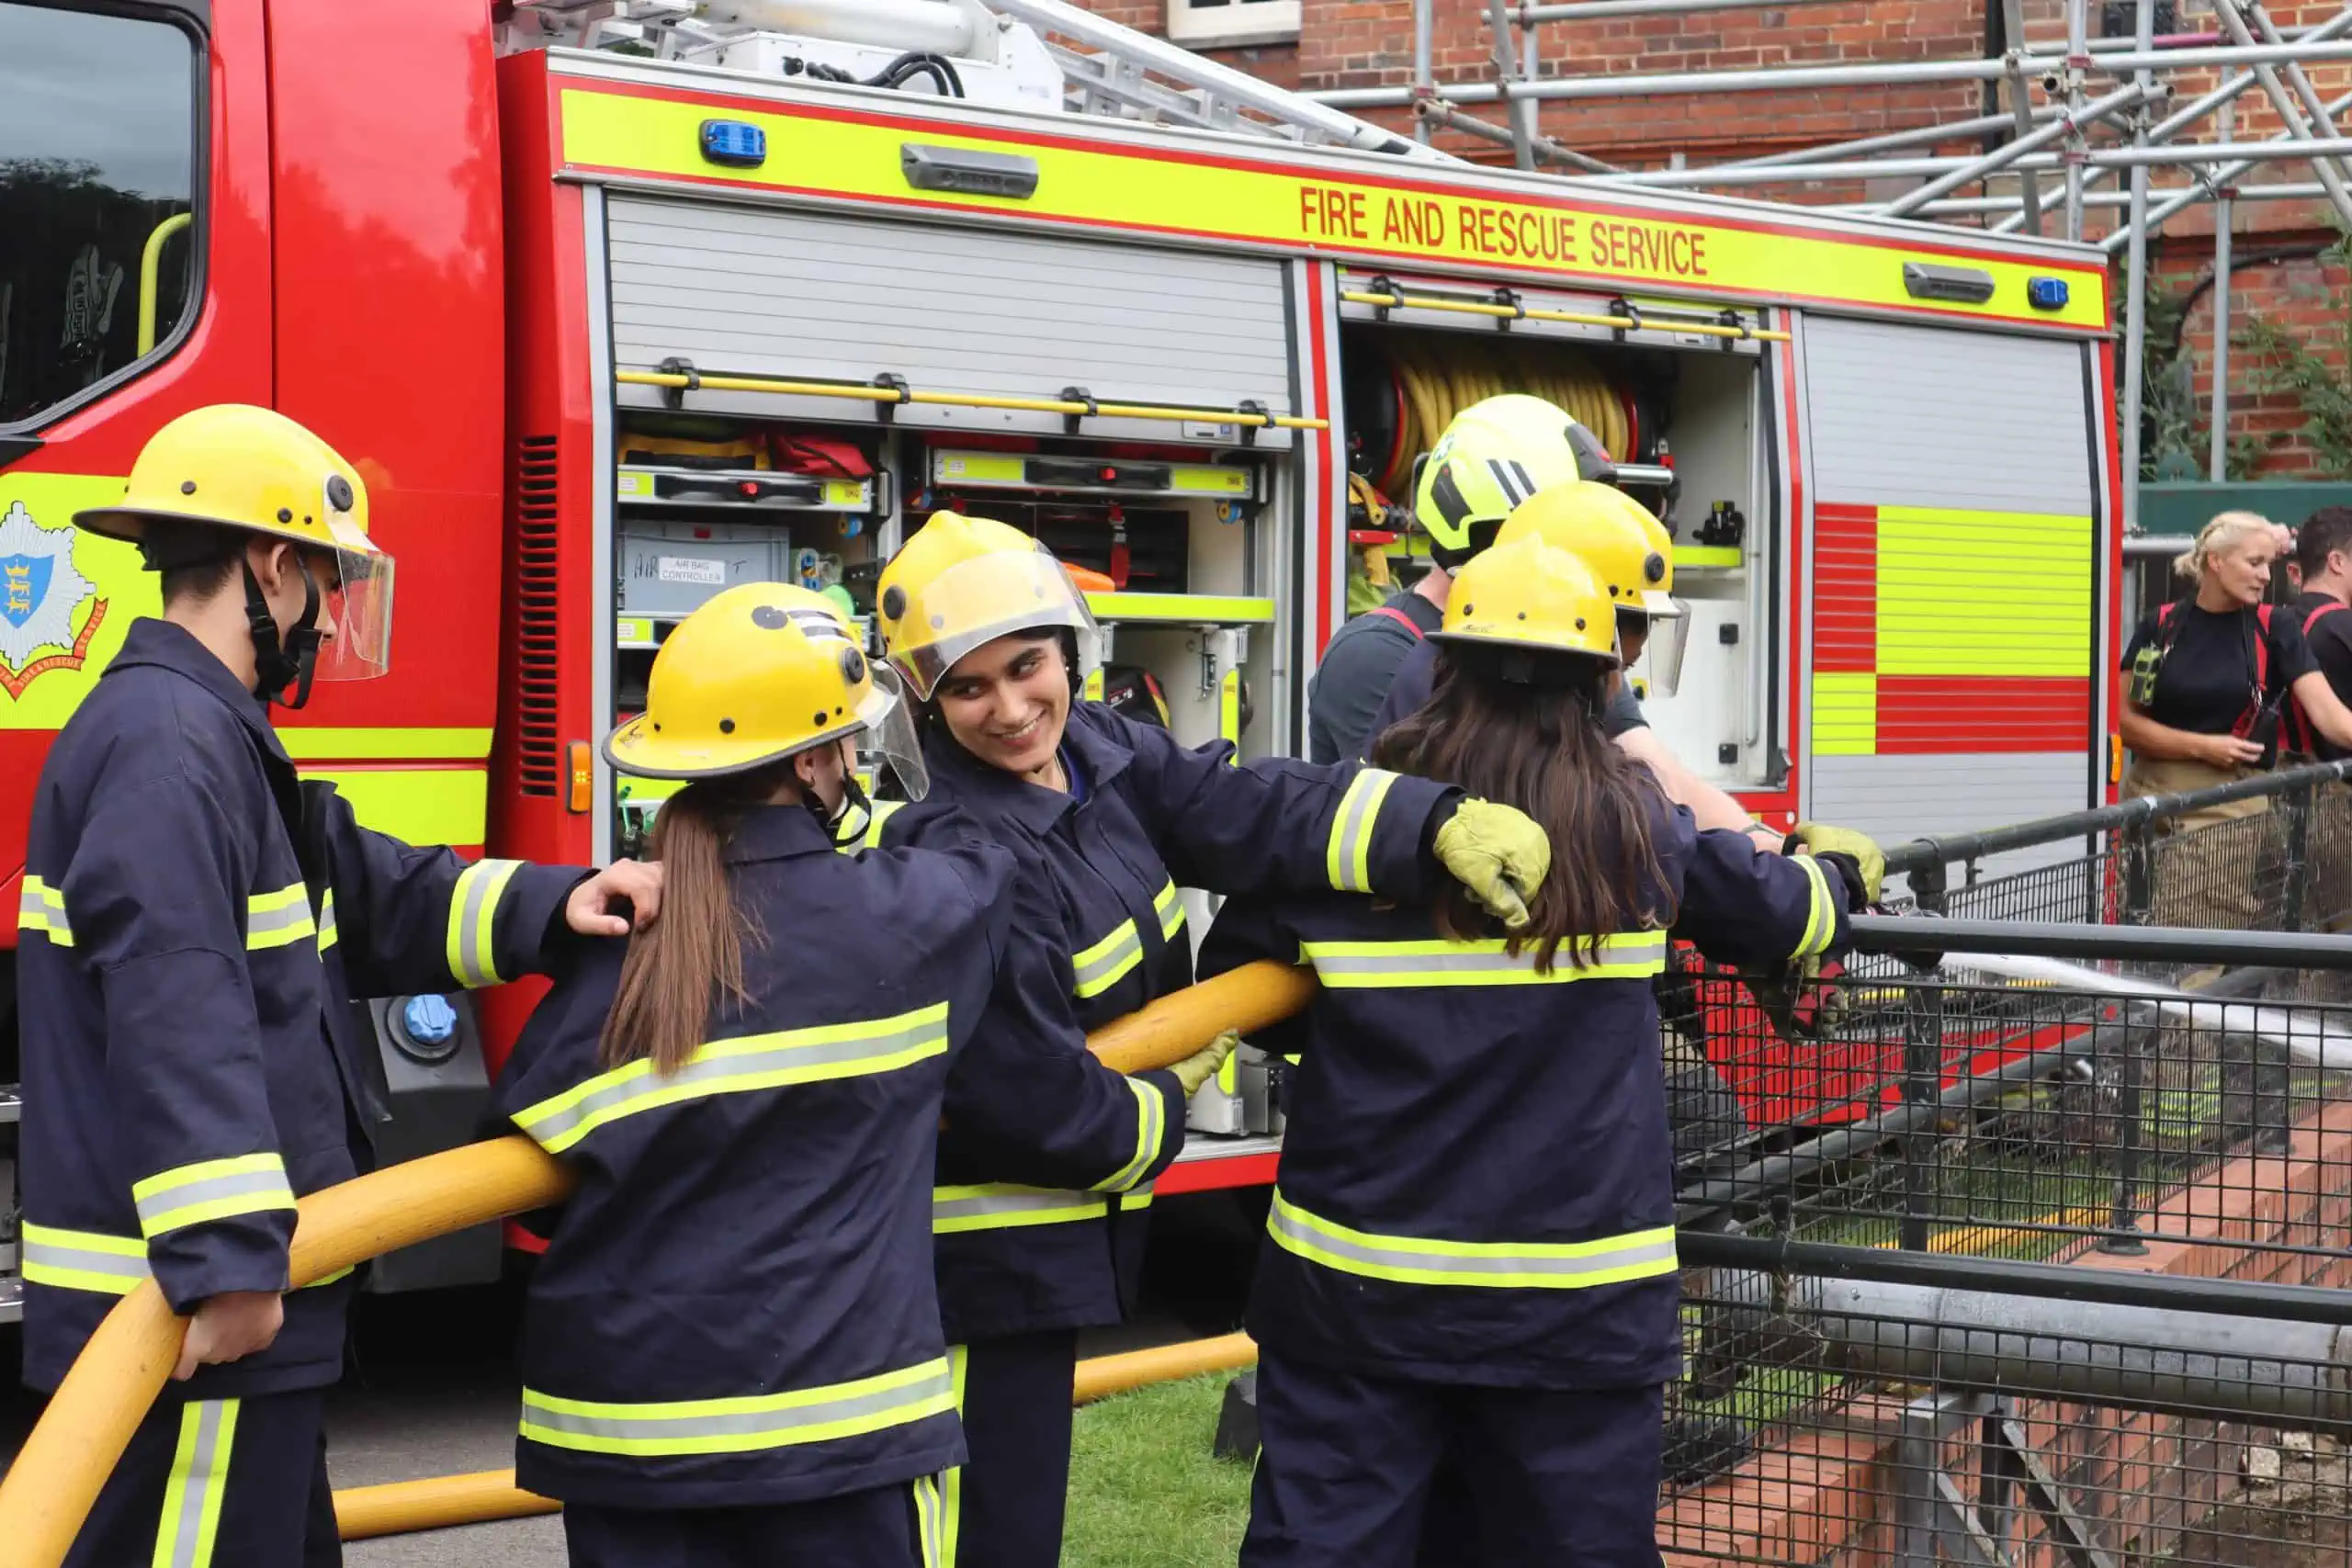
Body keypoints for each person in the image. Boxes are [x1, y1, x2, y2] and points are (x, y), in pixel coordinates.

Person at [17, 404, 660, 1568]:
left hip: (217, 1322)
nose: (327, 618)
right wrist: (226, 1264)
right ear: (272, 566)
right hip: (188, 1330)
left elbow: (373, 893)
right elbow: (176, 1012)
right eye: (324, 581)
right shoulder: (172, 750)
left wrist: (557, 903)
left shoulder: (205, 734)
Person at [867, 511, 1557, 1568]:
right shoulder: (961, 854)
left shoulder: (1098, 755)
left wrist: (1425, 824)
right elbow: (1023, 1103)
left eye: (1027, 666)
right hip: (969, 1272)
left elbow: (1247, 810)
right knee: (974, 1543)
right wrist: (1163, 1107)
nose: (1009, 709)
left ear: (1070, 651)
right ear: (925, 703)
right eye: (968, 688)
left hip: (1040, 1259)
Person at [494, 583, 1229, 1568]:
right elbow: (991, 885)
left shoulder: (617, 958)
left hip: (622, 1443)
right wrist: (1159, 1108)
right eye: (846, 740)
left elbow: (527, 1188)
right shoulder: (917, 914)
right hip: (838, 1433)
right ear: (812, 761)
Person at [1198, 536, 1880, 1568]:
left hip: (1357, 1303)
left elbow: (1249, 993)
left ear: (1443, 665)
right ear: (1603, 683)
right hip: (1574, 1318)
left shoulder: (1356, 825)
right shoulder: (1638, 835)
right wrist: (1835, 874)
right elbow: (1787, 912)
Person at [1364, 478, 1772, 847]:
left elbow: (1665, 776)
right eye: (1615, 663)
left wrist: (1762, 843)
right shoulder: (1500, 734)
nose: (1616, 682)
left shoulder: (1453, 675)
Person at [1308, 394, 1611, 766]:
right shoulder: (1377, 657)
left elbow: (1651, 763)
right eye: (1566, 530)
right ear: (1490, 529)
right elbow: (1465, 793)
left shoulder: (1566, 637)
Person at [2120, 511, 2352, 932]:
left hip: (2228, 803)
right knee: (2135, 931)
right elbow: (2127, 721)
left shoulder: (2275, 626)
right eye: (2254, 562)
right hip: (2148, 799)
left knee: (2191, 937)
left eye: (2269, 564)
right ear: (2216, 560)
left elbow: (2332, 718)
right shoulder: (2161, 625)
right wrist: (2204, 746)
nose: (2266, 576)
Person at [2288, 506, 2352, 762]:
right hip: (2339, 779)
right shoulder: (2343, 625)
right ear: (2337, 562)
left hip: (2294, 776)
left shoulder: (2281, 622)